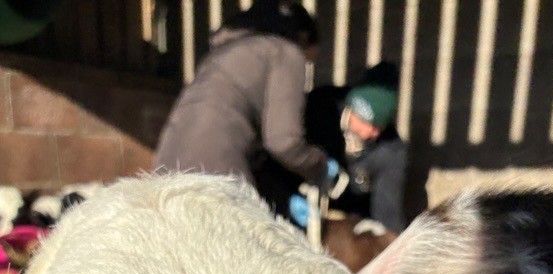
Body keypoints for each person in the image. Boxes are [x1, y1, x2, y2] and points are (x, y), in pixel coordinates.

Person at [154, 0, 333, 201]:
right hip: (215, 170)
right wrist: (320, 166)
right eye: (309, 60)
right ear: (304, 37)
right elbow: (284, 143)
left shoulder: (225, 51)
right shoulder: (285, 52)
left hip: (166, 164)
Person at [305, 62, 408, 233]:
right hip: (304, 203)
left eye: (380, 128)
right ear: (353, 106)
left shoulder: (391, 153)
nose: (374, 134)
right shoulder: (320, 107)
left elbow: (388, 216)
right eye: (369, 124)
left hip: (349, 225)